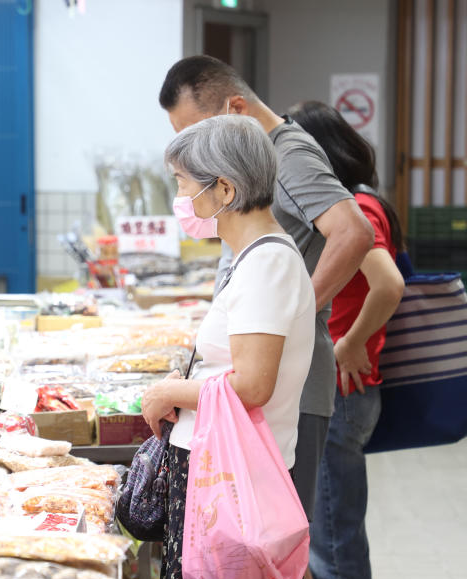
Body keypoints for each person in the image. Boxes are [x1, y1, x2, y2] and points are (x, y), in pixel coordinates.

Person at [158, 56, 374, 537]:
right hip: (262, 366)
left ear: (236, 108)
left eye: (201, 131)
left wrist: (289, 320)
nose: (196, 153)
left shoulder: (288, 153)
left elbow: (353, 233)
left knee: (283, 541)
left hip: (279, 379)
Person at [142, 115, 316, 579]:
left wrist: (172, 390)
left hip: (231, 483)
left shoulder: (268, 264)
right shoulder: (252, 258)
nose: (181, 199)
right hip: (217, 474)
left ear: (224, 188)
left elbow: (253, 384)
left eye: (183, 185)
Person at [287, 100, 406, 579]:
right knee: (334, 539)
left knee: (334, 544)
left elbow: (388, 284)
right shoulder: (363, 202)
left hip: (344, 391)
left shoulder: (355, 208)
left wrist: (348, 342)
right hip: (348, 392)